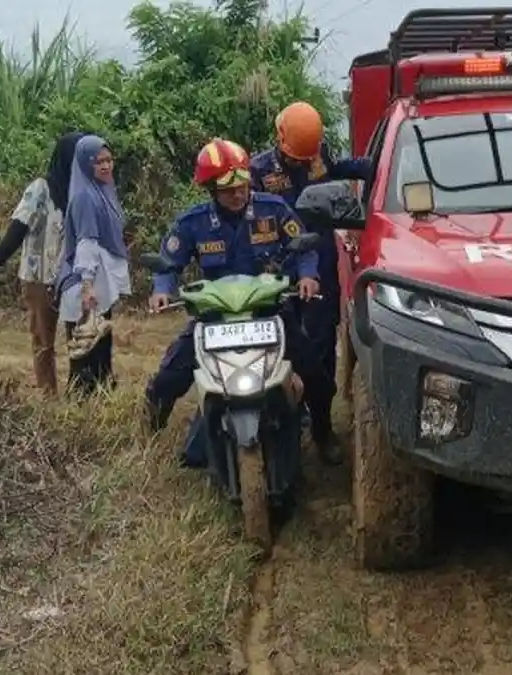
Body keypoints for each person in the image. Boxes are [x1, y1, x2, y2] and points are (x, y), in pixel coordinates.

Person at [144, 137, 323, 468]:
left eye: (242, 186)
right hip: (215, 318)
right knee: (171, 374)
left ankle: (320, 433)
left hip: (269, 310)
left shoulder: (273, 209)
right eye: (228, 190)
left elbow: (305, 247)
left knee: (313, 368)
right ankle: (151, 426)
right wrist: (161, 289)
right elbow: (168, 264)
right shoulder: (192, 223)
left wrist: (308, 276)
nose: (238, 194)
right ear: (211, 190)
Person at [249, 101, 372, 465]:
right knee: (274, 345)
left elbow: (352, 167)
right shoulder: (257, 173)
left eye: (310, 156)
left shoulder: (319, 157)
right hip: (278, 269)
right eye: (298, 157)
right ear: (280, 139)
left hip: (320, 268)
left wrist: (386, 164)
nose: (305, 163)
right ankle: (277, 427)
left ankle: (322, 429)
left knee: (319, 352)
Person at [0, 130, 93, 396]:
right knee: (43, 339)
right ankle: (48, 395)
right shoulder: (40, 189)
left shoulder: (85, 192)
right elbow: (18, 227)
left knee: (81, 340)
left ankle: (80, 396)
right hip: (39, 277)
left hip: (74, 280)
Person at [55, 134, 130, 396]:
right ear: (86, 164)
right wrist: (87, 287)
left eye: (109, 160)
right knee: (84, 357)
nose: (106, 166)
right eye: (99, 162)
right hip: (86, 286)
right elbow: (86, 243)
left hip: (98, 284)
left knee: (99, 351)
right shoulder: (86, 197)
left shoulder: (102, 192)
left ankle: (98, 405)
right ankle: (79, 415)